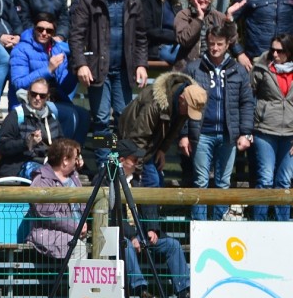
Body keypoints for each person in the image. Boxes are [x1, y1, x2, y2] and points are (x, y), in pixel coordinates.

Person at [69, 0, 149, 166]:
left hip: (123, 70)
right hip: (97, 70)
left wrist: (141, 64)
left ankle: (119, 161)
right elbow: (76, 36)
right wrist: (81, 64)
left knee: (124, 119)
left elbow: (141, 37)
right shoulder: (88, 0)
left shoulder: (134, 1)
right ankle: (105, 164)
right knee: (102, 120)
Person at [185, 21, 253, 221]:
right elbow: (182, 104)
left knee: (223, 183)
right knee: (201, 182)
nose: (215, 48)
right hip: (201, 134)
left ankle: (218, 229)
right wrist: (183, 135)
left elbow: (247, 102)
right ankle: (198, 229)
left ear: (228, 45)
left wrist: (246, 132)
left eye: (219, 44)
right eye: (212, 43)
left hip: (228, 134)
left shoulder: (238, 70)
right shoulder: (194, 68)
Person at [115, 139, 191, 298]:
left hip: (142, 234)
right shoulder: (108, 181)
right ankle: (141, 291)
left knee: (173, 245)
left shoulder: (138, 180)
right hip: (122, 235)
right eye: (134, 160)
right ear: (121, 161)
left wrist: (153, 229)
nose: (137, 163)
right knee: (126, 245)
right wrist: (132, 235)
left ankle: (184, 292)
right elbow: (113, 216)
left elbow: (149, 205)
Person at [9, 12, 89, 143]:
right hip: (28, 101)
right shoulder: (21, 49)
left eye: (49, 30)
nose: (44, 33)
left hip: (52, 100)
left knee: (84, 116)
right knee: (70, 115)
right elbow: (18, 82)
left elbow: (65, 87)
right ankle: (60, 154)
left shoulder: (57, 49)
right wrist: (48, 69)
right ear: (34, 28)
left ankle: (74, 155)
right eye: (40, 29)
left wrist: (74, 69)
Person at [119, 71, 206, 188]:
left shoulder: (184, 105)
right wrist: (137, 169)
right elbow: (139, 136)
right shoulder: (155, 104)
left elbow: (175, 129)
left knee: (158, 181)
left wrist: (162, 150)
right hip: (135, 141)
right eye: (189, 110)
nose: (188, 114)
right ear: (181, 98)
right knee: (152, 182)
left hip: (151, 143)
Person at [250, 34, 293, 222]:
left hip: (290, 135)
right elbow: (248, 97)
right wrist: (248, 127)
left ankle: (283, 226)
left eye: (280, 51)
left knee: (284, 182)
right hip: (265, 131)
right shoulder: (261, 68)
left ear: (289, 52)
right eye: (273, 49)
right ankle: (259, 224)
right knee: (265, 180)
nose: (275, 54)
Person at [27, 138, 87, 263]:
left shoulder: (73, 177)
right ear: (65, 160)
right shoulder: (42, 180)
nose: (77, 161)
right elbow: (48, 214)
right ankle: (76, 283)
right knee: (79, 248)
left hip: (77, 232)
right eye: (75, 158)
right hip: (48, 233)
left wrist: (83, 224)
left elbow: (81, 206)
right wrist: (76, 227)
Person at [0, 78, 63, 178]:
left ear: (47, 97)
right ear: (28, 94)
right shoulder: (16, 115)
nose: (37, 98)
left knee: (71, 174)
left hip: (46, 163)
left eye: (42, 96)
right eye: (34, 94)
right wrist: (27, 143)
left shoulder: (51, 117)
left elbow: (61, 144)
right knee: (45, 175)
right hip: (19, 165)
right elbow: (3, 145)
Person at [174, 0, 242, 72]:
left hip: (214, 70)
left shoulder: (218, 16)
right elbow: (184, 40)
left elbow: (232, 40)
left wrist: (229, 19)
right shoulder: (183, 15)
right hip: (187, 70)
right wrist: (199, 19)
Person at [140, 0, 184, 65]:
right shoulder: (148, 0)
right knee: (182, 57)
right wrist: (174, 36)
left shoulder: (176, 3)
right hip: (157, 47)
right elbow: (148, 30)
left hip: (175, 44)